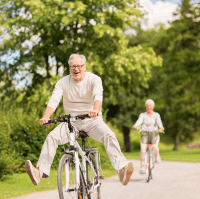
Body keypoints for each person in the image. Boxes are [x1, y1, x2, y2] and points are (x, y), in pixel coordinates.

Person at [25, 54, 133, 186]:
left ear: (84, 66)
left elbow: (98, 95)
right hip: (71, 122)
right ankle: (39, 172)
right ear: (69, 68)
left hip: (92, 120)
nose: (76, 69)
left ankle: (122, 169)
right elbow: (54, 100)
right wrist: (46, 116)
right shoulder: (62, 82)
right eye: (73, 66)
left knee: (109, 135)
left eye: (78, 66)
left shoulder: (94, 79)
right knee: (52, 137)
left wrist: (95, 109)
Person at [132, 99, 164, 174]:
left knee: (154, 146)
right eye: (148, 106)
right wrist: (135, 126)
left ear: (153, 106)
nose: (149, 107)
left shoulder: (156, 115)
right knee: (143, 150)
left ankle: (157, 156)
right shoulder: (143, 115)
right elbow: (138, 122)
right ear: (146, 107)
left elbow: (160, 124)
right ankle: (142, 167)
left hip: (154, 134)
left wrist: (161, 128)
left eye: (150, 106)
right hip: (145, 135)